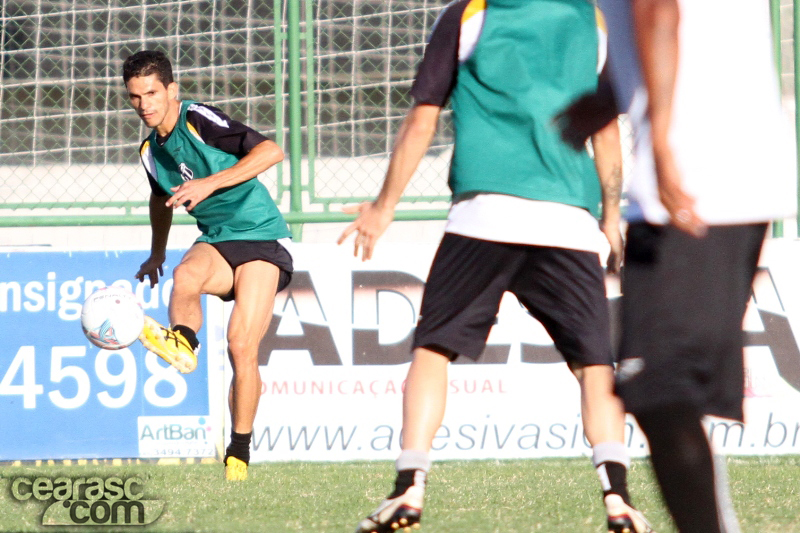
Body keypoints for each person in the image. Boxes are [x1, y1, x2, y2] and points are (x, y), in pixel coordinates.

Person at [339, 1, 652, 531]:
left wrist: (384, 206)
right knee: (596, 365)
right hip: (566, 221)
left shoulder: (469, 13)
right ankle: (617, 496)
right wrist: (611, 215)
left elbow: (422, 119)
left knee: (433, 349)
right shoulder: (592, 18)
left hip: (483, 214)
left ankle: (408, 487)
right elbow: (604, 130)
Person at [586, 1, 796, 531]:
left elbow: (659, 12)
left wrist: (659, 143)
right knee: (659, 390)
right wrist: (593, 107)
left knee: (660, 388)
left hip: (695, 181)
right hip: (711, 179)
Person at [122, 50, 294, 481]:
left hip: (259, 236)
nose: (145, 103)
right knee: (186, 274)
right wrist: (157, 252)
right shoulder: (149, 151)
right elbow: (158, 202)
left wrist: (209, 182)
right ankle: (182, 343)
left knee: (241, 344)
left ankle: (238, 452)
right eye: (135, 96)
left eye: (153, 92)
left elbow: (272, 151)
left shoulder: (198, 118)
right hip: (217, 241)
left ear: (171, 90)